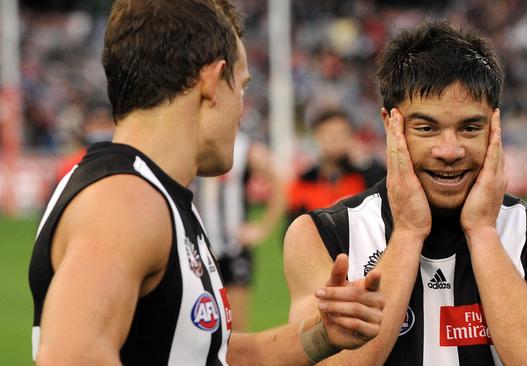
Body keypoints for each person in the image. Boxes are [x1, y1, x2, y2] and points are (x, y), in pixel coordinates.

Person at [28, 1, 384, 365]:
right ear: (213, 83)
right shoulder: (125, 200)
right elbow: (71, 356)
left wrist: (322, 334)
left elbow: (209, 354)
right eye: (242, 88)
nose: (242, 111)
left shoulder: (154, 193)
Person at [284, 21, 527, 365]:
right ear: (390, 124)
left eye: (470, 127)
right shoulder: (321, 237)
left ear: (495, 127)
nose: (450, 150)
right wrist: (409, 232)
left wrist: (484, 232)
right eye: (426, 128)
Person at [192, 130, 286, 331]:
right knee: (198, 326)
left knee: (236, 328)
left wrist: (262, 228)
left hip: (233, 247)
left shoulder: (244, 148)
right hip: (196, 247)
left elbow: (280, 185)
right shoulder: (188, 141)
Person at [287, 109, 386, 223]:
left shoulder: (367, 174)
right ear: (317, 137)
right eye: (328, 134)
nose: (335, 140)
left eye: (341, 134)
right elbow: (293, 227)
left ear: (351, 137)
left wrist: (361, 161)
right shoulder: (304, 181)